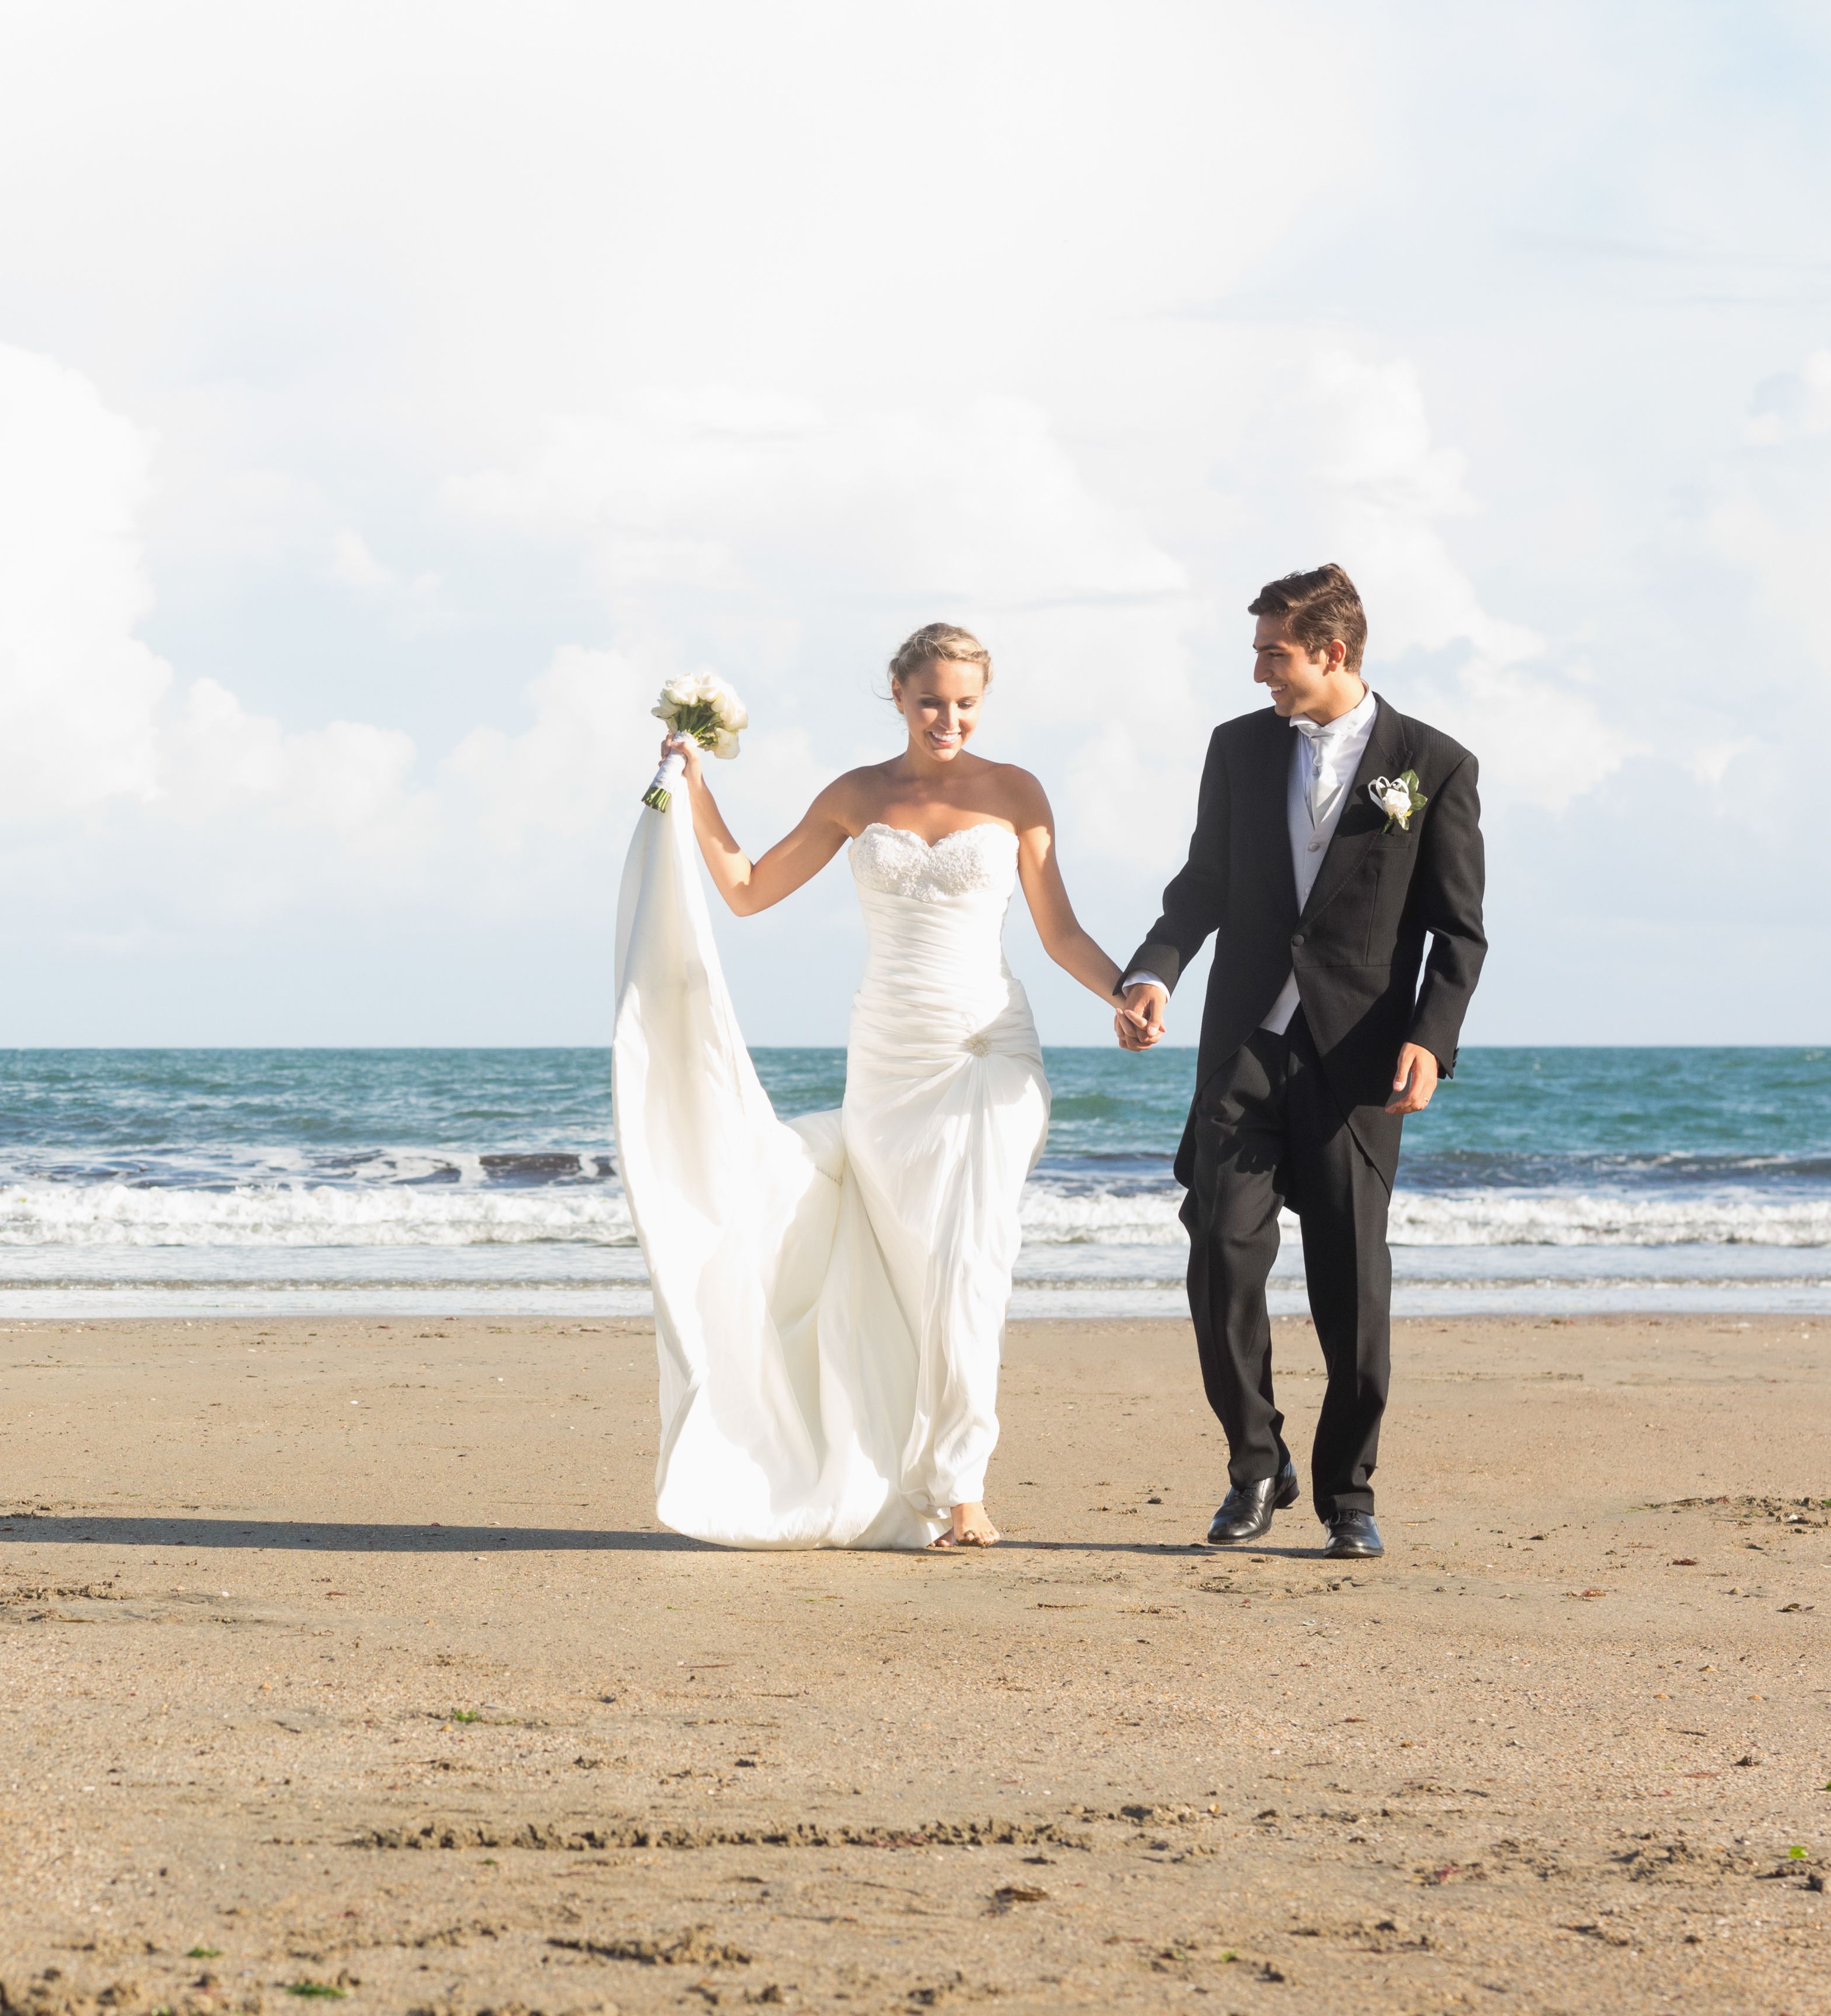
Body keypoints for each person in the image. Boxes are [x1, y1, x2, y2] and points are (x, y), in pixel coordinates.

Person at [612, 624, 1138, 1549]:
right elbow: (747, 888)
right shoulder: (856, 795)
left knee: (972, 1262)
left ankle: (961, 1485)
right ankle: (900, 1467)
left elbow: (1059, 931)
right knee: (909, 1268)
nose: (949, 719)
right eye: (931, 700)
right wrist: (693, 784)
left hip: (990, 1051)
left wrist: (1125, 991)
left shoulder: (1017, 793)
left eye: (966, 703)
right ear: (898, 694)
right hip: (889, 1063)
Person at [1113, 565, 1487, 1559]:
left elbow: (1458, 931)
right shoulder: (1237, 750)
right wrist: (1152, 973)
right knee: (1218, 1254)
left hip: (1356, 1065)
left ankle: (1349, 1495)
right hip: (1243, 1048)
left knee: (1351, 1287)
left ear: (1332, 651)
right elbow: (1203, 882)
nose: (1259, 673)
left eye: (1273, 654)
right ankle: (1255, 1463)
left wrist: (1431, 1038)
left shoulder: (1435, 765)